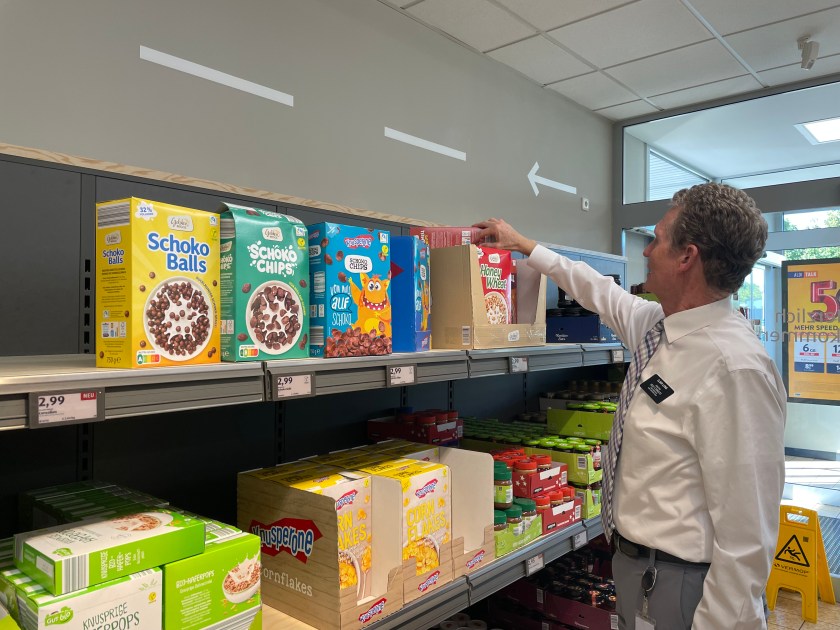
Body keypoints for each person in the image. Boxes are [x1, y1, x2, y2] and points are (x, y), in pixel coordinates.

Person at [475, 183, 786, 630]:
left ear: (687, 256)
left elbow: (748, 536)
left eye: (656, 240)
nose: (646, 252)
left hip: (686, 586)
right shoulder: (659, 328)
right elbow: (600, 291)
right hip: (638, 571)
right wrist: (524, 245)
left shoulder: (734, 368)